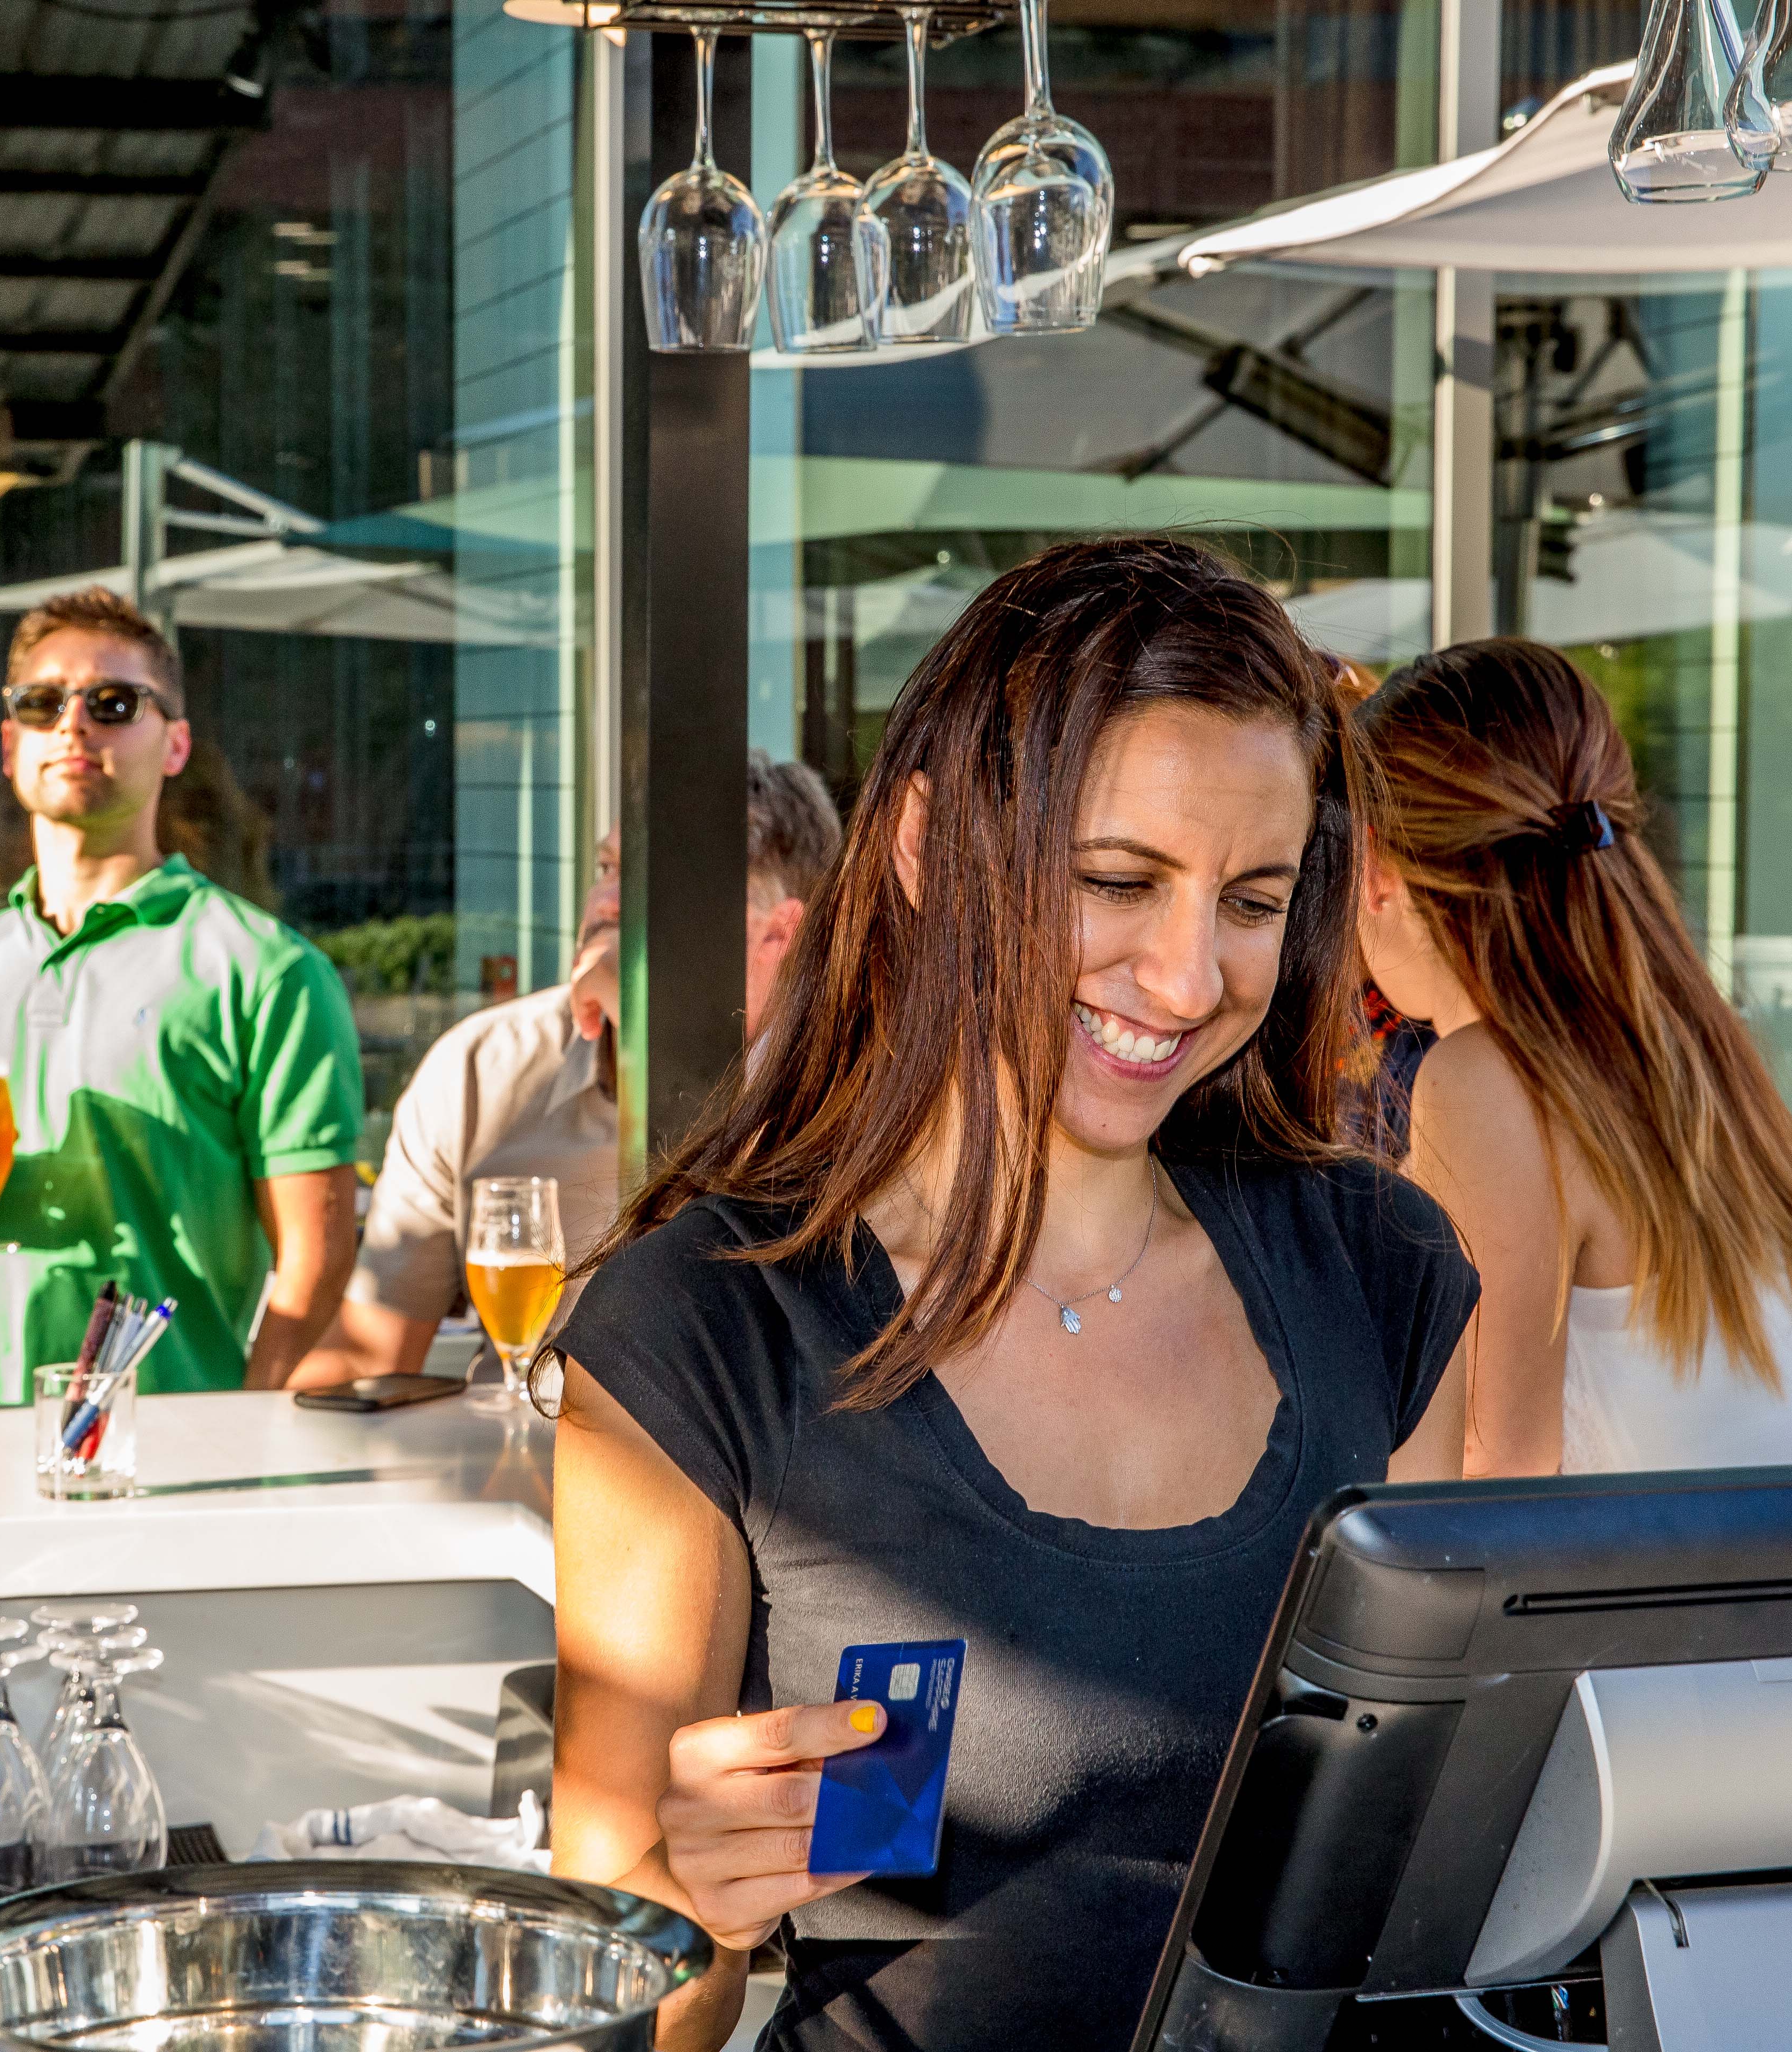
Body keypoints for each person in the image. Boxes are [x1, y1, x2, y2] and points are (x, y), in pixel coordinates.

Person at [546, 537, 1477, 2052]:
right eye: (1118, 881)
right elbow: (623, 2005)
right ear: (925, 848)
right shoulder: (702, 1327)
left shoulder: (1383, 1274)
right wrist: (689, 1902)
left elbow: (1440, 1864)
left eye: (1252, 900)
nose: (1186, 980)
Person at [1353, 636, 1792, 1475]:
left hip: (1666, 1605)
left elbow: (1485, 1479)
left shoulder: (1487, 1084)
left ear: (1375, 866)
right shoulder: (1700, 1058)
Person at [0, 588, 364, 1399]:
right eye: (42, 702)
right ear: (9, 744)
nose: (73, 724)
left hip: (173, 1456)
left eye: (113, 702)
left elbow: (316, 1257)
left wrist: (242, 1426)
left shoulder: (265, 970)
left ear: (175, 745)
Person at [297, 752, 843, 1388]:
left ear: (781, 932)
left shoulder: (845, 1093)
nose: (607, 901)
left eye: (649, 876)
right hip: (503, 1474)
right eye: (608, 867)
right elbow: (372, 1352)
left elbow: (747, 1356)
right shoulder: (482, 1070)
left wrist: (644, 1030)